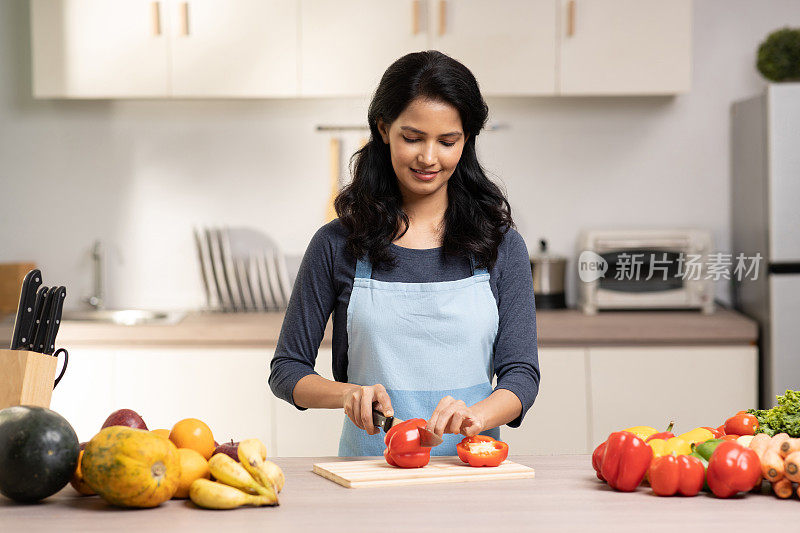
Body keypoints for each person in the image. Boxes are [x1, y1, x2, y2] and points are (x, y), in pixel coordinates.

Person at [269, 50, 539, 457]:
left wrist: (477, 417)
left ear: (466, 140)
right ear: (383, 129)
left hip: (470, 472)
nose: (429, 158)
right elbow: (287, 370)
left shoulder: (500, 246)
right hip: (369, 474)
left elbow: (522, 374)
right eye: (412, 138)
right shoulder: (337, 244)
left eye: (447, 141)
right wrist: (347, 395)